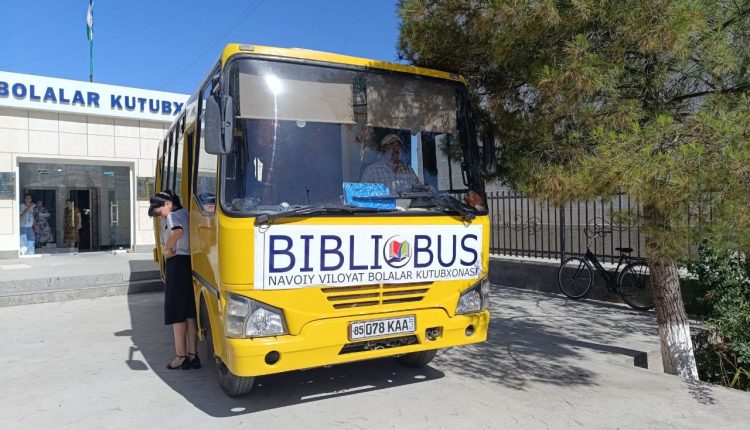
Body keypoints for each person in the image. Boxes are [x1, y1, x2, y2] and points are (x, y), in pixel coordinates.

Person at [148, 191, 200, 370]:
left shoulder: (172, 216)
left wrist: (167, 248)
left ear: (168, 204)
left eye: (159, 211)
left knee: (177, 313)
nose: (160, 216)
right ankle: (193, 356)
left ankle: (180, 356)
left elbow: (177, 232)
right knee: (189, 313)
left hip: (176, 265)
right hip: (188, 264)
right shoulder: (186, 213)